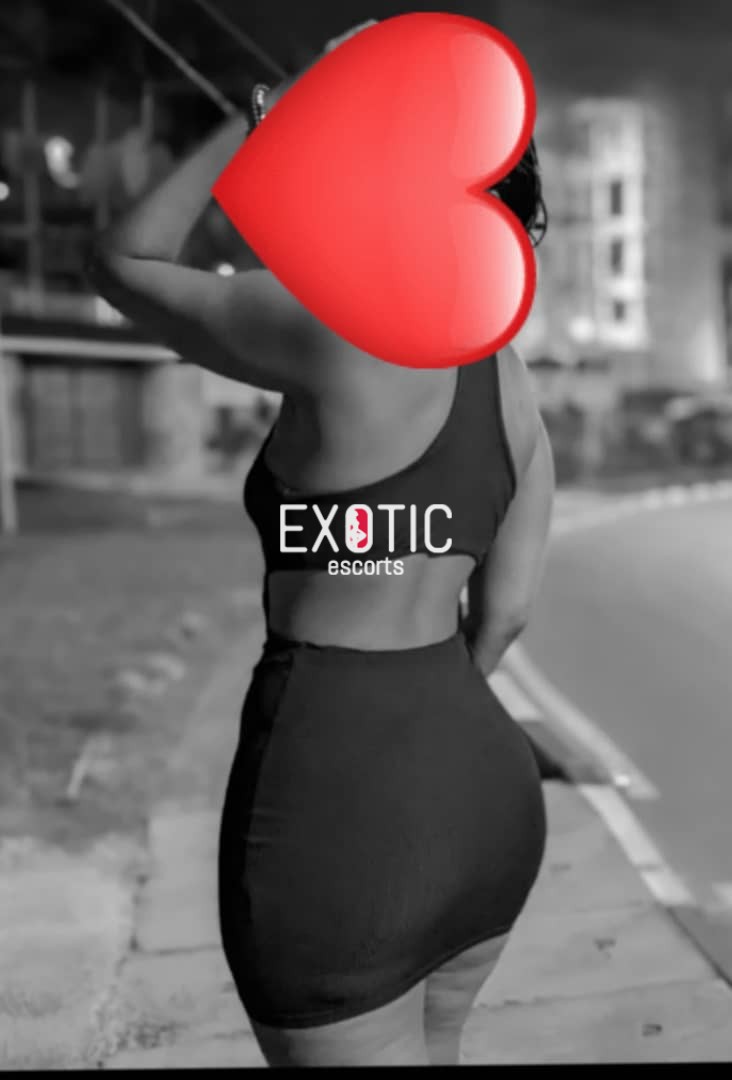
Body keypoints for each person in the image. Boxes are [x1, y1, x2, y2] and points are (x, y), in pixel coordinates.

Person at [88, 19, 554, 1068]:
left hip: (337, 803)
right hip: (482, 796)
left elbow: (122, 261)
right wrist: (426, 730)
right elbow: (508, 612)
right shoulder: (512, 379)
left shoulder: (330, 323)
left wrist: (254, 119)